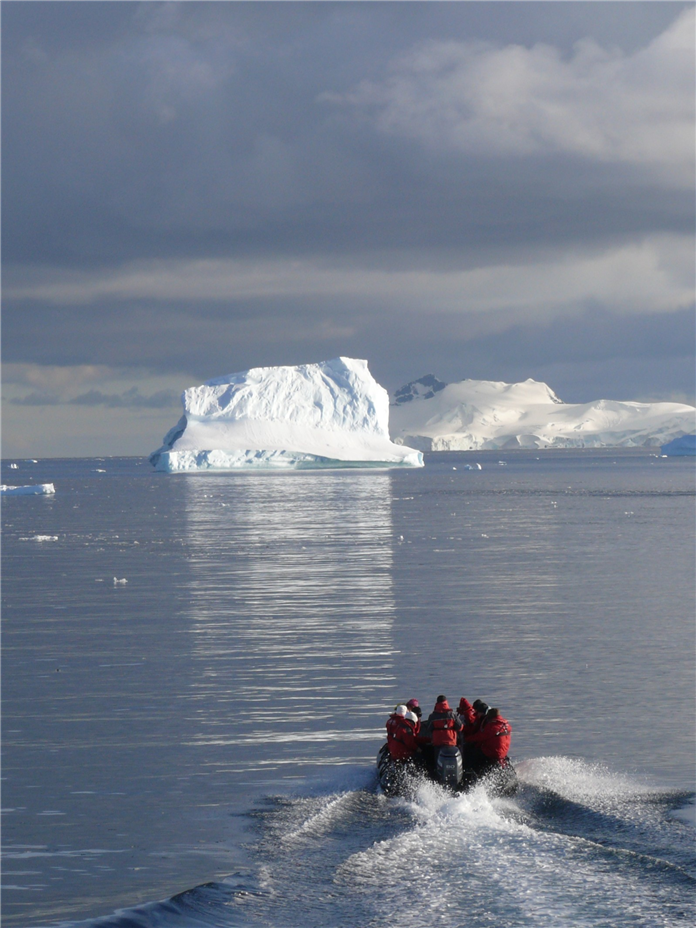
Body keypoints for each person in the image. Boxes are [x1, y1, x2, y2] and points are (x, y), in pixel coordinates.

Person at [461, 707, 512, 774]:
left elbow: (480, 737)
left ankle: (469, 771)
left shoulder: (492, 726)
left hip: (493, 752)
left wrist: (466, 739)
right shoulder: (506, 725)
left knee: (470, 753)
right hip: (503, 752)